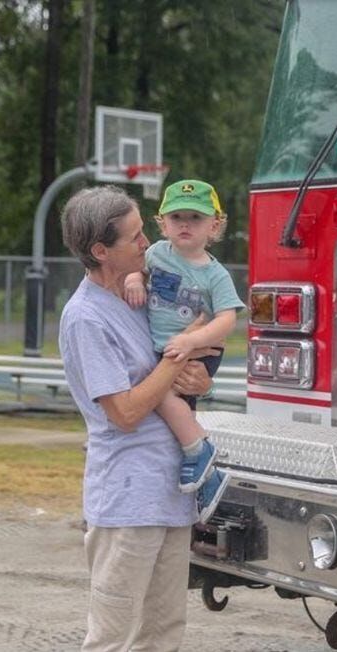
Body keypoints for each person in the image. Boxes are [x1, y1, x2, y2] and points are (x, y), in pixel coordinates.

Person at [58, 185, 228, 652]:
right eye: (134, 236)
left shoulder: (142, 298)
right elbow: (126, 412)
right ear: (100, 251)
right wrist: (181, 353)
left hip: (171, 493)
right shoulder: (86, 318)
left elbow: (175, 370)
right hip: (127, 502)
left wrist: (199, 380)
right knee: (113, 638)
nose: (146, 243)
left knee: (162, 632)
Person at [122, 179, 244, 497]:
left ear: (214, 225)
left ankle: (198, 450)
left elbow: (227, 318)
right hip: (166, 349)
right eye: (177, 217)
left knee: (163, 397)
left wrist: (192, 342)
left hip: (197, 349)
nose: (185, 224)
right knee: (176, 413)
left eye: (195, 217)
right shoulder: (156, 254)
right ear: (163, 224)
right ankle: (207, 480)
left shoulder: (215, 275)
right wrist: (134, 280)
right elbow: (139, 272)